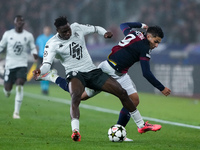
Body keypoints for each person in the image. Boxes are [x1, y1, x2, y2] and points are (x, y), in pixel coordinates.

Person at [33, 16, 161, 142]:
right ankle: (75, 131)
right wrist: (41, 71)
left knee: (121, 92)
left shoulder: (76, 27)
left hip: (92, 71)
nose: (68, 33)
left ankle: (141, 125)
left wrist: (104, 33)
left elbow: (95, 28)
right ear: (58, 31)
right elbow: (46, 65)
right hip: (75, 73)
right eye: (64, 32)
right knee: (76, 97)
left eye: (68, 29)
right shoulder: (52, 44)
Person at [0, 15, 38, 119]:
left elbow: (32, 47)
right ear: (14, 23)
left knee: (20, 84)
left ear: (23, 23)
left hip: (22, 64)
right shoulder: (8, 34)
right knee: (8, 90)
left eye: (21, 21)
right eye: (18, 21)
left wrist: (35, 53)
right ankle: (7, 91)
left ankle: (16, 112)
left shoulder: (28, 35)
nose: (19, 23)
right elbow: (1, 46)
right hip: (10, 64)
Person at [36, 26, 53, 95]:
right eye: (45, 30)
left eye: (48, 30)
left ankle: (46, 88)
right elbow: (37, 47)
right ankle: (43, 88)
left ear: (50, 30)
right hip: (41, 57)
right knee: (42, 73)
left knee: (47, 73)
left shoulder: (53, 37)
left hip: (50, 57)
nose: (46, 31)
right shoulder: (40, 38)